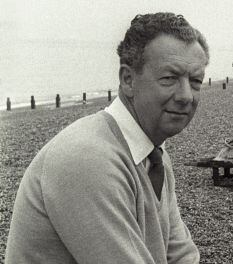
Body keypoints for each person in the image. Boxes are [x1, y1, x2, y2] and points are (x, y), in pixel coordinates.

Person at [6, 12, 209, 263]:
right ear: (127, 80)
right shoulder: (87, 159)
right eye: (169, 78)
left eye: (196, 81)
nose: (186, 96)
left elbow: (182, 256)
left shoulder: (155, 158)